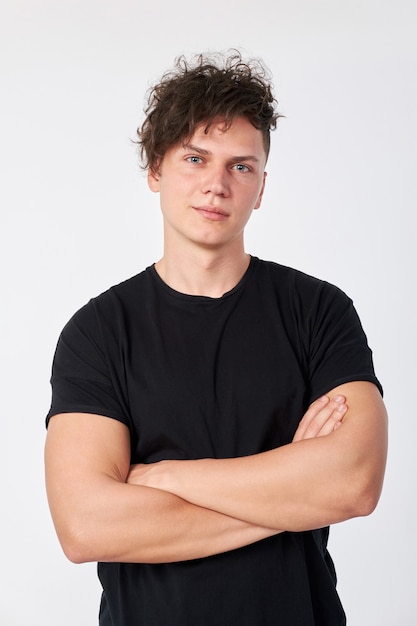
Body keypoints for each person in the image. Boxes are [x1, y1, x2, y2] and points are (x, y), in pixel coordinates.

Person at [44, 50, 388, 625]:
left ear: (261, 187)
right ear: (155, 170)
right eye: (196, 158)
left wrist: (162, 477)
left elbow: (354, 483)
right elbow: (86, 526)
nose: (217, 185)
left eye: (241, 166)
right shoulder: (98, 332)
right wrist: (294, 488)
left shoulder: (319, 311)